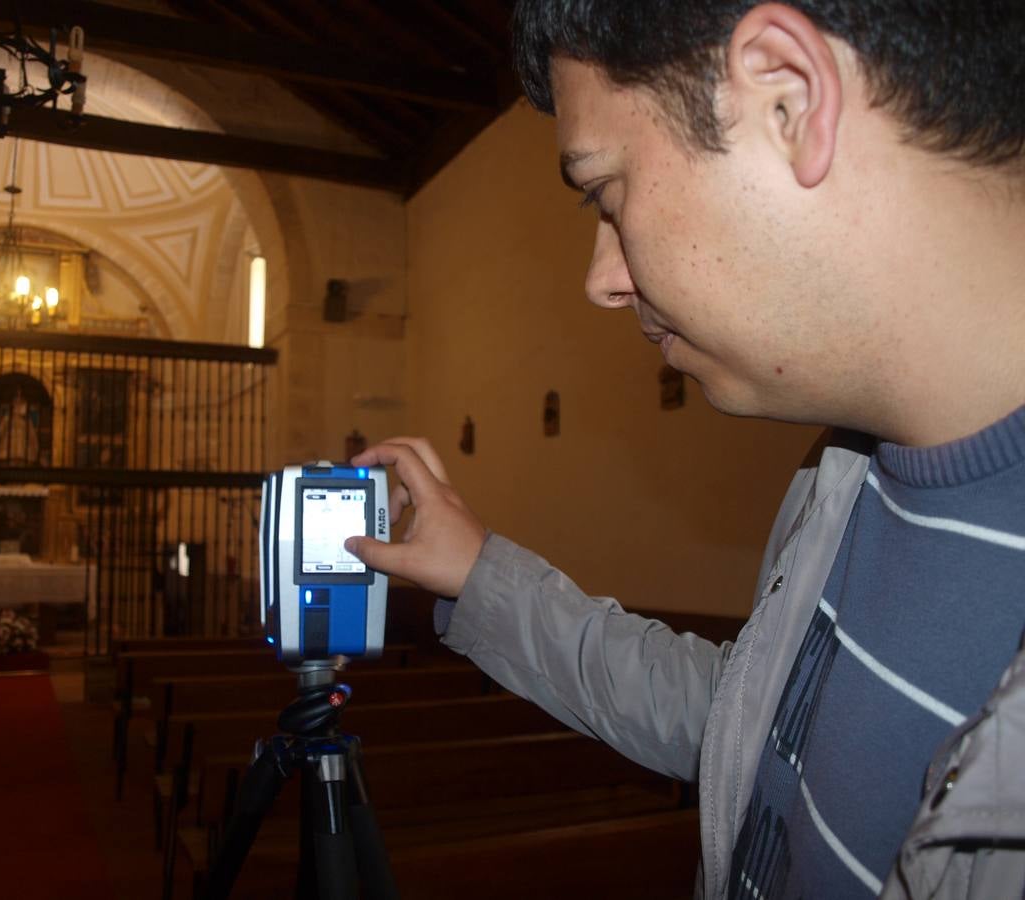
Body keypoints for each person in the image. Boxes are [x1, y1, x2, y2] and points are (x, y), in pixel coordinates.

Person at [342, 2, 1025, 898]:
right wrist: (479, 576)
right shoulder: (842, 480)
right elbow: (756, 729)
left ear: (788, 100)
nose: (602, 280)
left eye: (607, 193)